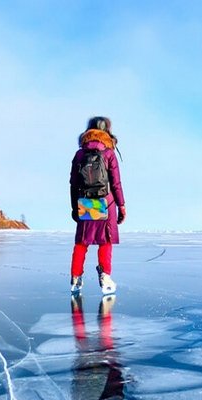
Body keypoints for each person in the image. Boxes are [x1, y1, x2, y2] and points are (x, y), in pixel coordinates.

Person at [69, 116, 126, 294]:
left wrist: (74, 207)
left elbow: (73, 184)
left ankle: (76, 278)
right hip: (106, 202)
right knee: (105, 241)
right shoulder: (109, 153)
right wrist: (121, 206)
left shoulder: (80, 154)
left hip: (86, 201)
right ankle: (105, 277)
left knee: (82, 242)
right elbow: (116, 183)